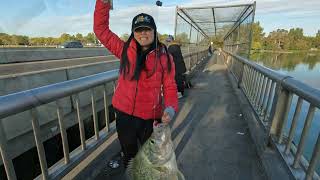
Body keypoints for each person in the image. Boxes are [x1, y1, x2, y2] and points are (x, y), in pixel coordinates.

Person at [94, 0, 178, 167]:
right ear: (133, 33)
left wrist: (170, 108)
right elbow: (101, 30)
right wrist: (103, 3)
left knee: (151, 159)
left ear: (154, 31)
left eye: (147, 29)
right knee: (129, 155)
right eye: (138, 30)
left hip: (150, 118)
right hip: (125, 116)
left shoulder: (165, 57)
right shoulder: (124, 50)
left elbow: (169, 86)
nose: (143, 33)